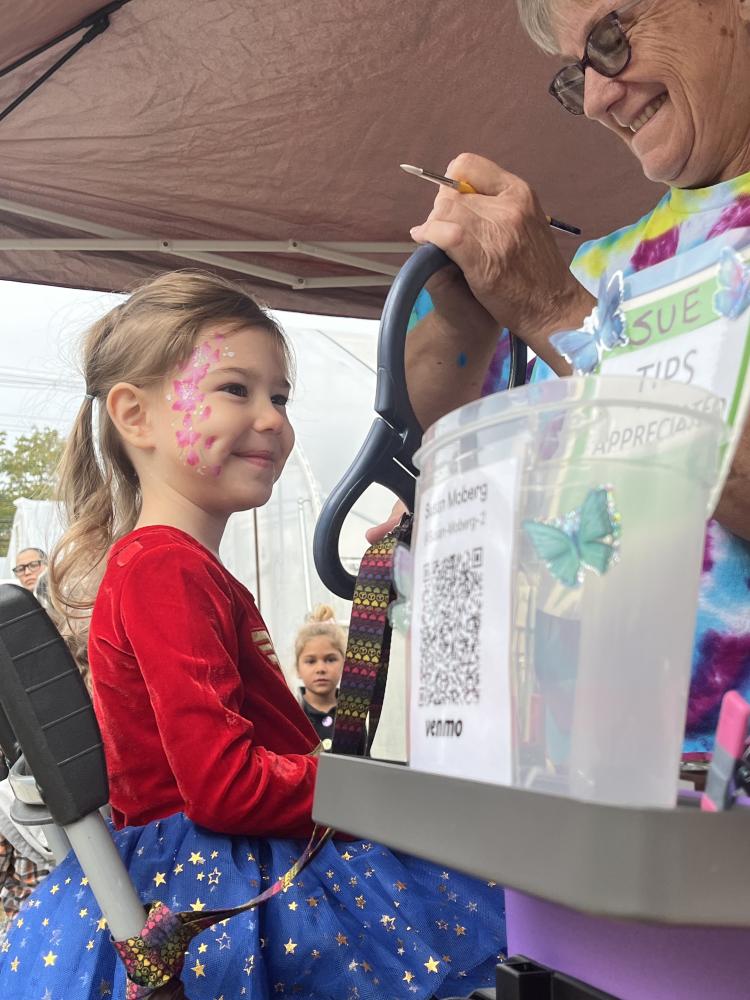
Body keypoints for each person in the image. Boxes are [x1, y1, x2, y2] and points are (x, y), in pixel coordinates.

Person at [0, 271, 505, 999]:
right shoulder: (163, 569)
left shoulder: (174, 566)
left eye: (280, 396)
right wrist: (377, 789)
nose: (271, 418)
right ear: (135, 416)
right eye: (236, 390)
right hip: (222, 884)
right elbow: (224, 787)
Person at [380, 0, 750, 757]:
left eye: (610, 41)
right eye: (574, 72)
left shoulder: (569, 291)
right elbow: (429, 453)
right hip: (568, 789)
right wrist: (466, 314)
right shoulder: (598, 266)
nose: (595, 99)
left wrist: (551, 309)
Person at [294, 605, 368, 753]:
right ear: (298, 669)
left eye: (330, 659)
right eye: (311, 661)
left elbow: (364, 762)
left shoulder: (353, 713)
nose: (321, 669)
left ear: (344, 664)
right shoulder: (294, 714)